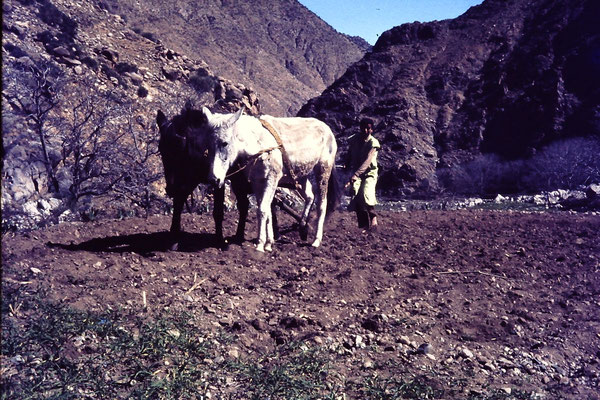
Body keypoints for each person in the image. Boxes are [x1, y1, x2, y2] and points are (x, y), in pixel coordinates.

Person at [345, 117, 380, 231]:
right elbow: (350, 152)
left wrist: (356, 174)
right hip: (356, 171)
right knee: (356, 195)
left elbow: (367, 161)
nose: (365, 131)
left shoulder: (373, 143)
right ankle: (364, 225)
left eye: (368, 128)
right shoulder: (354, 139)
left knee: (366, 194)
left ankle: (374, 219)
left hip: (369, 172)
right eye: (363, 128)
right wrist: (347, 163)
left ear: (372, 130)